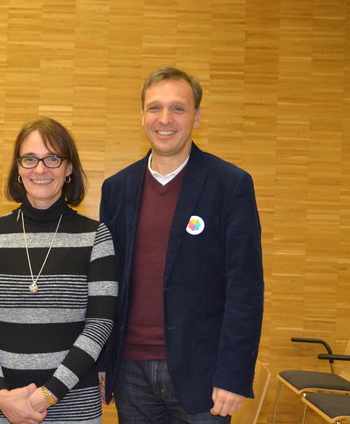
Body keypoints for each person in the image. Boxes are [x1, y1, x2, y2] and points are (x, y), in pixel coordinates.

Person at [99, 67, 264, 422]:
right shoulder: (117, 188)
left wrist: (234, 375)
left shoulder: (230, 185)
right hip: (130, 372)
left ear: (197, 116)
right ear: (142, 115)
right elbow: (107, 283)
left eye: (178, 108)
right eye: (155, 107)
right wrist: (103, 361)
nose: (165, 119)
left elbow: (245, 288)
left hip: (202, 376)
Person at [0, 117, 118, 424]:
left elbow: (100, 324)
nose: (40, 169)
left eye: (52, 158)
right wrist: (0, 396)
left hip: (72, 406)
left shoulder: (96, 236)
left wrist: (45, 395)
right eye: (30, 159)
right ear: (18, 169)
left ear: (69, 168)